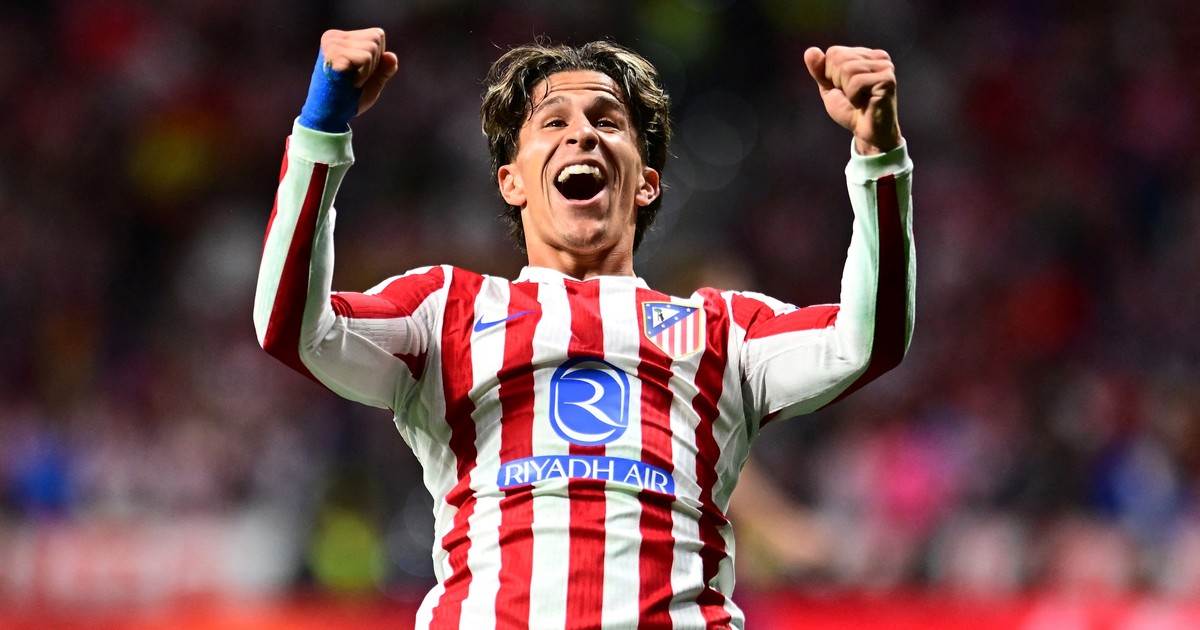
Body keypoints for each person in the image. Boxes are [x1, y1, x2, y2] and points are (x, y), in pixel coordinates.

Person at [254, 27, 914, 630]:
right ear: (512, 181)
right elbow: (293, 328)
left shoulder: (722, 329)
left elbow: (866, 340)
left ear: (647, 184)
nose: (583, 136)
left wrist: (878, 155)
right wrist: (322, 127)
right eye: (554, 121)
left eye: (607, 120)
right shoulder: (446, 310)